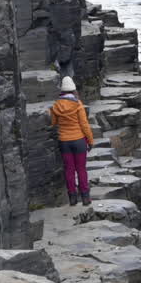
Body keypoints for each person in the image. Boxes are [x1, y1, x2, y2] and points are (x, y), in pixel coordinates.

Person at [50, 76, 94, 206]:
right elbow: (84, 125)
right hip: (79, 141)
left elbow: (53, 123)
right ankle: (85, 198)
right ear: (73, 90)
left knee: (69, 170)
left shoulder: (56, 106)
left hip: (64, 142)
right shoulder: (77, 104)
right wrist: (90, 141)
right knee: (81, 169)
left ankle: (72, 198)